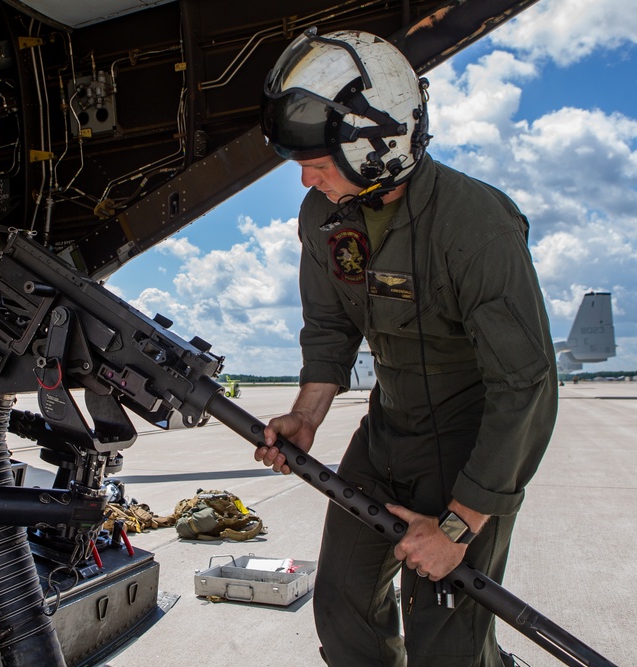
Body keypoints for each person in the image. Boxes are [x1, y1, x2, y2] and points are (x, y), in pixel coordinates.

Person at [254, 28, 557, 666]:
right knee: (342, 605)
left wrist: (458, 527)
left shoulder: (477, 226)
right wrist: (305, 417)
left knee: (447, 641)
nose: (305, 178)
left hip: (471, 450)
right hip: (387, 435)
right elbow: (331, 325)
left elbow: (523, 387)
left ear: (375, 149)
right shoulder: (326, 216)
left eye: (316, 160)